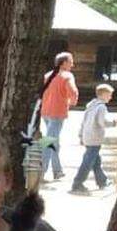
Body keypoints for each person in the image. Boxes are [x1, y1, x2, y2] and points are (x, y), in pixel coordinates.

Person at [72, 83, 117, 193]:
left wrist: (81, 135)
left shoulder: (91, 105)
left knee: (96, 160)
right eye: (109, 95)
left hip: (87, 136)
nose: (110, 97)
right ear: (102, 95)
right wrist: (115, 121)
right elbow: (102, 122)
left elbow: (84, 122)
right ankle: (77, 183)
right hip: (94, 138)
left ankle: (102, 181)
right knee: (88, 161)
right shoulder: (101, 107)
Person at [40, 51, 79, 181]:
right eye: (71, 61)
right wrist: (72, 101)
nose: (72, 64)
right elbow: (73, 92)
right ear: (64, 63)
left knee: (54, 140)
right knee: (49, 141)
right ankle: (41, 172)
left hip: (45, 111)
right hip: (57, 112)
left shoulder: (47, 75)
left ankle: (57, 171)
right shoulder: (67, 75)